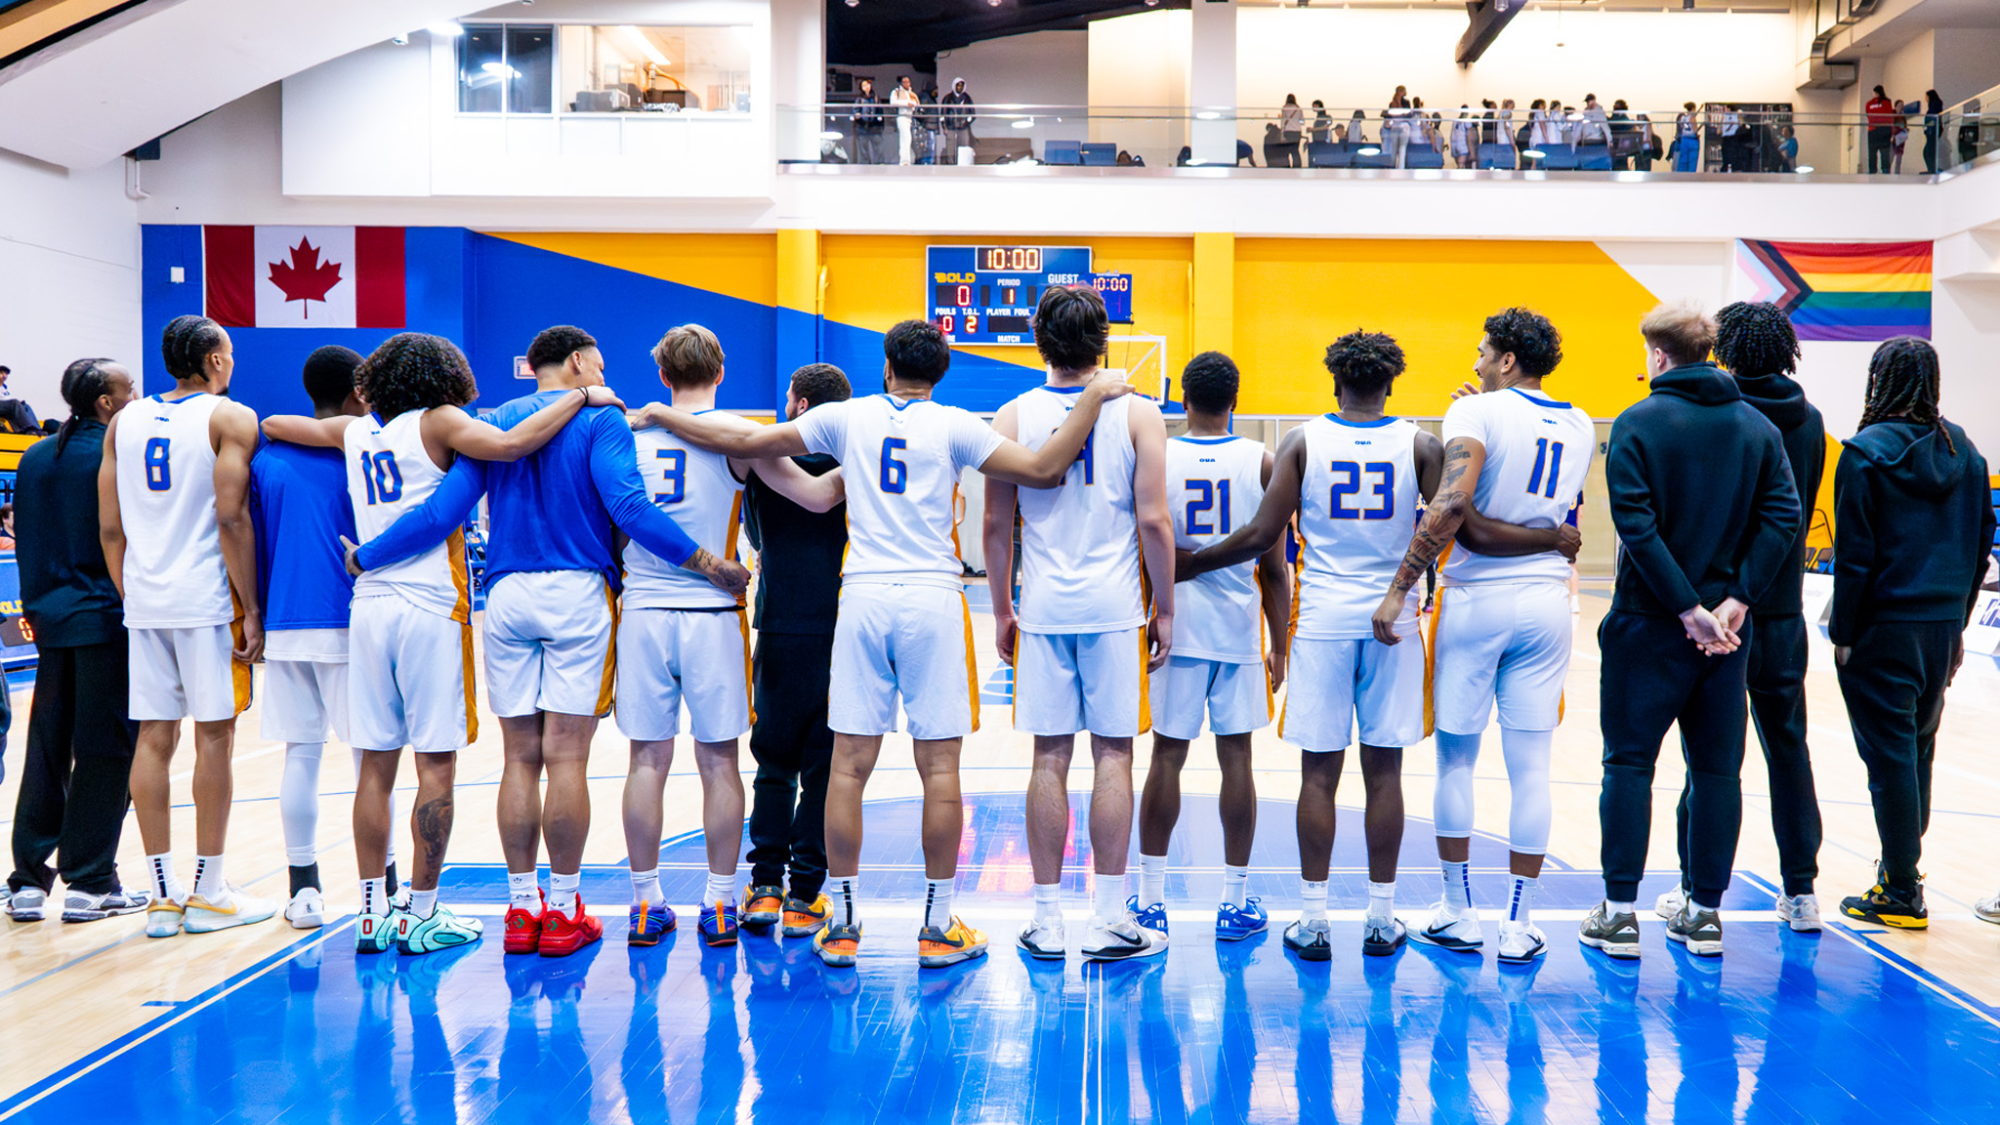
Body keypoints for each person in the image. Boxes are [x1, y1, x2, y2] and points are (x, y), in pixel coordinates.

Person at [638, 319, 1133, 971]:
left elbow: (749, 441)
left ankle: (841, 921)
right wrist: (1095, 397)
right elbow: (1042, 469)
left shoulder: (848, 418)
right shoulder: (955, 424)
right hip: (931, 596)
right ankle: (935, 925)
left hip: (863, 599)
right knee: (940, 771)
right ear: (943, 370)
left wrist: (661, 415)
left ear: (886, 364)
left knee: (844, 767)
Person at [343, 325, 745, 958]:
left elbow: (441, 513)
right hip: (576, 594)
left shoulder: (489, 422)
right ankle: (562, 910)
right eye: (601, 364)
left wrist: (366, 556)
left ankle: (521, 907)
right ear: (580, 362)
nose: (603, 376)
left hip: (504, 594)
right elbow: (630, 510)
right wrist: (709, 562)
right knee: (566, 759)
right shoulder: (600, 414)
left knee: (518, 759)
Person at [264, 333, 626, 955]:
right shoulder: (441, 421)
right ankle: (422, 912)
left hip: (368, 608)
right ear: (444, 375)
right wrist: (584, 396)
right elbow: (513, 445)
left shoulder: (357, 433)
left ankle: (373, 915)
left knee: (374, 766)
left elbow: (277, 423)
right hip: (428, 605)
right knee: (436, 766)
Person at [1366, 310, 1592, 965]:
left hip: (1476, 599)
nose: (1474, 362)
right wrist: (1550, 536)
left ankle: (1458, 910)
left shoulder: (1474, 416)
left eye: (1482, 352)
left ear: (1509, 360)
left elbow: (1453, 508)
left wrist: (1402, 585)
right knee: (1531, 769)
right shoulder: (1579, 422)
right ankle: (1519, 923)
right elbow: (1536, 496)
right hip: (1549, 602)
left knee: (1458, 762)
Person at [1580, 302, 1800, 960]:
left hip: (1650, 624)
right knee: (1717, 772)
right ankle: (1704, 913)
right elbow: (1784, 515)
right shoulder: (1758, 427)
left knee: (1627, 764)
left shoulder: (1639, 422)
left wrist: (1684, 608)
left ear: (1658, 355)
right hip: (1726, 637)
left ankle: (1619, 914)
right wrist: (1734, 602)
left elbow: (1636, 526)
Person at [617, 326, 843, 949]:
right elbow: (820, 496)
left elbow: (612, 532)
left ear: (664, 375)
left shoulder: (625, 436)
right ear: (721, 372)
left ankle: (644, 904)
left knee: (645, 761)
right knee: (718, 762)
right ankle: (719, 903)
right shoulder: (741, 440)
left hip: (640, 610)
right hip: (713, 612)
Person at [987, 285, 1175, 962]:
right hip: (1114, 606)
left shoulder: (1011, 414)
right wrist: (1167, 607)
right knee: (1115, 755)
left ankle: (1044, 919)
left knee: (1048, 756)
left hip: (1042, 607)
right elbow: (1154, 520)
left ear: (1038, 339)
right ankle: (1110, 917)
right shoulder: (1138, 413)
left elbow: (993, 523)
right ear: (1105, 341)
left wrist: (1003, 608)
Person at [1654, 303, 1826, 932]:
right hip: (1780, 608)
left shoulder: (1716, 413)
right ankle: (1802, 893)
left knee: (1709, 758)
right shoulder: (1810, 422)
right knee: (1789, 749)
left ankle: (1690, 888)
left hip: (1718, 610)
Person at [100, 315, 269, 938]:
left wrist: (135, 592)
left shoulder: (124, 421)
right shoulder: (230, 417)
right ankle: (211, 889)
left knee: (153, 737)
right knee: (215, 738)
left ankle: (161, 898)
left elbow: (111, 528)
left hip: (145, 599)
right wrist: (250, 607)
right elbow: (232, 519)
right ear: (215, 360)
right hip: (203, 601)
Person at [1830, 337, 1993, 929]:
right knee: (1917, 751)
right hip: (1942, 628)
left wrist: (1842, 632)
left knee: (1889, 759)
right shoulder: (1967, 454)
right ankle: (1900, 869)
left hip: (1882, 628)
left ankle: (1902, 888)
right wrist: (1958, 621)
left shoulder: (1864, 453)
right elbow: (1980, 552)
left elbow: (1855, 557)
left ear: (1878, 381)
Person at [1131, 353, 1287, 946]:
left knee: (1166, 759)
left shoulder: (1157, 456)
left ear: (1183, 400)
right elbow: (1275, 568)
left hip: (1172, 628)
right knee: (1238, 761)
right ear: (1236, 399)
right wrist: (1280, 644)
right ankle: (1236, 901)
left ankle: (1149, 903)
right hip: (1238, 629)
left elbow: (1141, 543)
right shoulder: (1264, 460)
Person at [4, 358, 144, 924]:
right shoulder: (114, 455)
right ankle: (90, 881)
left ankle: (27, 882)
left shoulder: (37, 455)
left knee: (46, 749)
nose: (136, 395)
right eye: (128, 388)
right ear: (106, 404)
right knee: (106, 750)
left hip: (49, 621)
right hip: (103, 618)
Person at [249, 345, 382, 931]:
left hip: (283, 621)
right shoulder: (365, 453)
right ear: (359, 391)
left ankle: (303, 889)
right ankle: (387, 886)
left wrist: (252, 612)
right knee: (369, 764)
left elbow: (247, 539)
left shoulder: (266, 460)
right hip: (350, 618)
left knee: (300, 756)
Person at [739, 363, 851, 942]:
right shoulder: (853, 465)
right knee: (825, 768)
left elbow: (756, 539)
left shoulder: (763, 461)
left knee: (774, 764)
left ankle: (763, 889)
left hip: (778, 625)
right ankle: (806, 897)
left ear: (801, 405)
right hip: (838, 630)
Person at [852, 78, 886, 165]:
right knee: (863, 147)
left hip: (874, 126)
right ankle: (864, 164)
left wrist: (880, 121)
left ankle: (879, 163)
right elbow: (856, 110)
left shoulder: (875, 97)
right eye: (864, 86)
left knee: (878, 146)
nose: (866, 87)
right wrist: (858, 115)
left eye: (867, 85)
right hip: (862, 126)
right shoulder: (859, 99)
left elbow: (880, 110)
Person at [942, 78, 975, 164]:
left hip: (963, 127)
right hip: (950, 127)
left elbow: (973, 113)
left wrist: (967, 122)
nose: (960, 88)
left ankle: (963, 165)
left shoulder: (967, 98)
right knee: (950, 149)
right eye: (958, 86)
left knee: (964, 147)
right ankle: (950, 166)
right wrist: (944, 126)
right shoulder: (948, 98)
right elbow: (943, 114)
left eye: (961, 86)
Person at [1865, 85, 1895, 174]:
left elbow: (1868, 114)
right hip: (1885, 129)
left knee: (1872, 153)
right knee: (1885, 153)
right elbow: (1890, 116)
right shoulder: (1887, 102)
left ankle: (1872, 172)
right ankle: (1886, 171)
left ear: (1875, 93)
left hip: (1873, 130)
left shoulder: (1869, 104)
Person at [891, 76, 919, 165]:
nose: (907, 84)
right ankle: (904, 160)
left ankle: (910, 158)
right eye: (904, 82)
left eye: (908, 82)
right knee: (906, 138)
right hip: (902, 116)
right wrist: (907, 104)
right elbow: (893, 102)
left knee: (908, 139)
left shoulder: (912, 93)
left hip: (910, 118)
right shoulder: (897, 92)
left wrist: (912, 104)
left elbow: (917, 103)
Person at [1383, 87, 1412, 169]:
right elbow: (1407, 113)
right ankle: (1400, 168)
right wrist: (1399, 103)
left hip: (1394, 126)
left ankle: (1392, 167)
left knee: (1394, 149)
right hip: (1403, 126)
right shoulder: (1405, 102)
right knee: (1401, 148)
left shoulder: (1392, 103)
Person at [1922, 90, 1944, 174]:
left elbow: (1933, 118)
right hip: (1932, 131)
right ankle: (1931, 168)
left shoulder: (1934, 106)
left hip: (1932, 131)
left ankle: (1932, 169)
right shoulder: (1935, 105)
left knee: (1928, 151)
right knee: (1929, 151)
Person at [1674, 102, 1700, 172]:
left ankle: (1681, 177)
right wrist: (1697, 134)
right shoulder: (1692, 118)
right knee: (1692, 161)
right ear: (1693, 108)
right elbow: (1695, 130)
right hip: (1692, 140)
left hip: (1684, 139)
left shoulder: (1683, 118)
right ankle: (1691, 178)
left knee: (1683, 161)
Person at [1280, 94, 1304, 167]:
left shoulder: (1284, 108)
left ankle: (1286, 166)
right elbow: (1302, 121)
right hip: (1297, 130)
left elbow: (1283, 121)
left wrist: (1281, 133)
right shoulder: (1298, 108)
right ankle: (1297, 166)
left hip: (1288, 131)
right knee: (1295, 150)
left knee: (1286, 150)